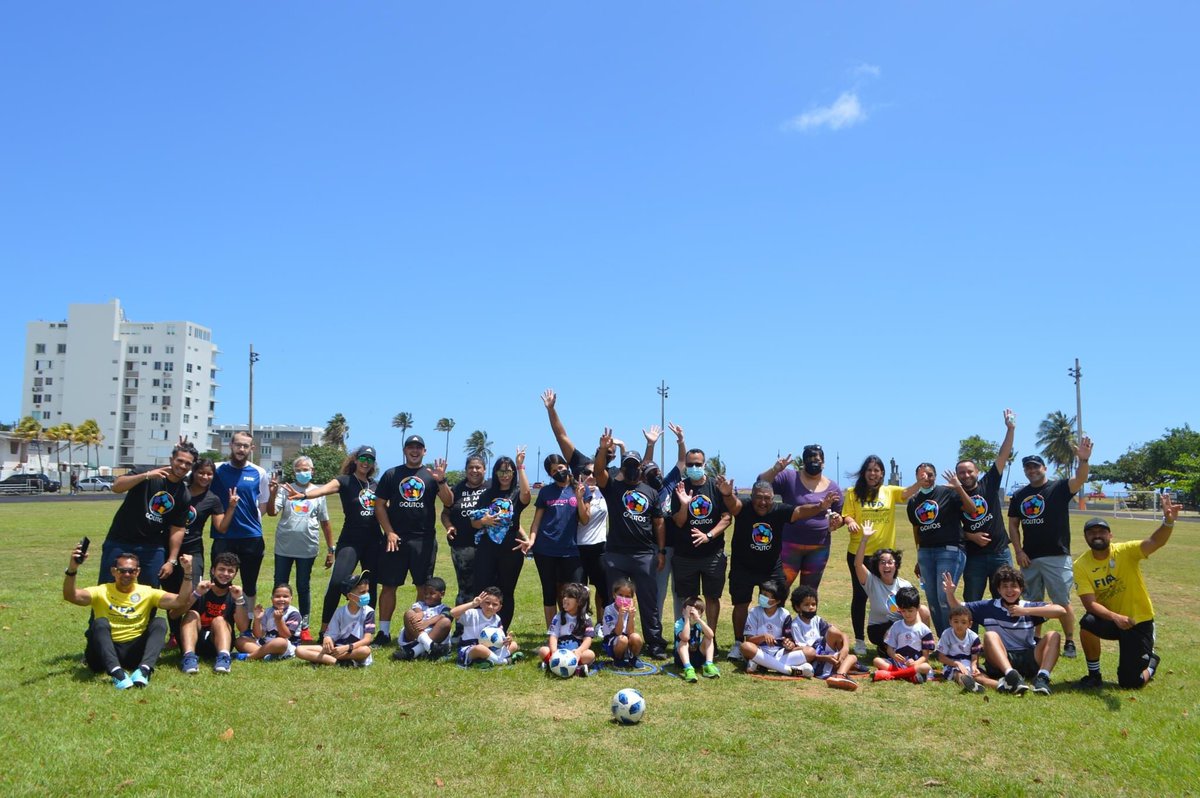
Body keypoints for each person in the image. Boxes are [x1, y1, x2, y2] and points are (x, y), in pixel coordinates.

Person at [1074, 497, 1179, 688]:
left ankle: (1152, 662)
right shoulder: (1081, 565)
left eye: (1101, 531)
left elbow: (1155, 541)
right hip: (1113, 620)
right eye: (1091, 532)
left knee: (1130, 683)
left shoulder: (1125, 551)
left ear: (1110, 535)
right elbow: (1090, 604)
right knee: (1087, 623)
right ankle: (1094, 675)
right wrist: (1115, 617)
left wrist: (1168, 521)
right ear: (1086, 537)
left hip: (1138, 621)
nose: (1097, 535)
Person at [1008, 436, 1092, 659]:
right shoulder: (1019, 495)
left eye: (1036, 466)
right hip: (1030, 557)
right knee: (1031, 601)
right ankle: (1035, 638)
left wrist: (1083, 461)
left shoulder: (1059, 487)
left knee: (1061, 601)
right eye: (1028, 468)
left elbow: (1080, 479)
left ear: (1044, 468)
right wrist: (1019, 550)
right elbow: (1014, 525)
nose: (1032, 470)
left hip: (1057, 555)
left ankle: (1070, 641)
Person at [63, 546, 194, 688]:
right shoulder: (101, 591)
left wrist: (187, 572)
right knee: (99, 623)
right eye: (122, 570)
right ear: (114, 571)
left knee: (160, 622)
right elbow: (71, 596)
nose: (127, 574)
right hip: (102, 655)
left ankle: (144, 670)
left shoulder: (147, 592)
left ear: (137, 572)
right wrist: (72, 569)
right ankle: (116, 673)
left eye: (131, 571)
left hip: (133, 654)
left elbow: (180, 601)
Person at [715, 476, 813, 662]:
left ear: (773, 498)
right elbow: (733, 505)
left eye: (767, 498)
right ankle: (738, 643)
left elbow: (799, 511)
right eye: (759, 497)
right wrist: (727, 493)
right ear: (751, 497)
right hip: (743, 566)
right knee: (741, 604)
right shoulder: (743, 506)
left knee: (776, 603)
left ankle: (777, 642)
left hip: (770, 568)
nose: (763, 502)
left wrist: (821, 506)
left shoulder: (779, 510)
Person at [291, 445, 382, 640]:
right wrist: (305, 495)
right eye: (363, 458)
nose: (366, 462)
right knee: (336, 583)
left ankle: (367, 632)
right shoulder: (345, 481)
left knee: (370, 586)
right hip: (351, 540)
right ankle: (325, 630)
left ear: (373, 464)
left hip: (374, 540)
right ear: (355, 460)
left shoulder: (375, 485)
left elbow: (386, 507)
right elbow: (324, 489)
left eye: (370, 460)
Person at [595, 428, 669, 659]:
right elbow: (599, 471)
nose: (630, 468)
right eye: (626, 464)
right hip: (616, 554)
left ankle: (655, 643)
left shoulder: (651, 491)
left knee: (649, 601)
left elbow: (658, 523)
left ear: (640, 467)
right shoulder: (614, 489)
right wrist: (604, 449)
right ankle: (613, 640)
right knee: (615, 600)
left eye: (634, 465)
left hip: (644, 554)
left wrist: (661, 551)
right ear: (622, 466)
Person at [834, 454, 917, 657]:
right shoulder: (853, 493)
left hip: (884, 556)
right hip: (860, 553)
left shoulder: (889, 492)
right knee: (860, 596)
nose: (873, 474)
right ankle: (860, 639)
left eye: (877, 470)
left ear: (882, 473)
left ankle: (897, 634)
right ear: (864, 472)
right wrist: (850, 522)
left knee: (890, 595)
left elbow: (907, 492)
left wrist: (920, 482)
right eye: (870, 470)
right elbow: (847, 514)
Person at [373, 435, 452, 646]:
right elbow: (379, 505)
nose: (414, 451)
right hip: (395, 539)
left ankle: (419, 630)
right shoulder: (391, 474)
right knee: (389, 586)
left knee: (423, 587)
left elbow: (449, 501)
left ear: (424, 451)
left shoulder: (431, 474)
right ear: (404, 450)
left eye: (419, 447)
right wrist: (389, 532)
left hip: (423, 540)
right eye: (410, 447)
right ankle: (383, 632)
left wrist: (441, 480)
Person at [942, 565, 1066, 695]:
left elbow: (1061, 610)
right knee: (990, 635)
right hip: (1000, 660)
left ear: (1021, 589)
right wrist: (950, 594)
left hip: (1028, 657)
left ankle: (1042, 678)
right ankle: (1011, 675)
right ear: (999, 590)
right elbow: (959, 607)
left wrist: (1025, 611)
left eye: (1014, 586)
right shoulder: (988, 607)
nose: (1010, 590)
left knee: (1054, 635)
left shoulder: (1028, 606)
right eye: (1005, 586)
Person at [99, 442, 195, 587]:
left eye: (188, 463)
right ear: (171, 460)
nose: (182, 466)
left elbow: (178, 529)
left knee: (151, 591)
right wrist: (145, 476)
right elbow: (116, 487)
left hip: (152, 546)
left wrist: (171, 560)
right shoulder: (148, 472)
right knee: (107, 588)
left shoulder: (184, 494)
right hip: (120, 540)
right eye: (179, 461)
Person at [162, 456, 235, 643]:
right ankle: (175, 634)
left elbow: (221, 528)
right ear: (193, 472)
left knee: (191, 591)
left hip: (193, 551)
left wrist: (232, 507)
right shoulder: (180, 491)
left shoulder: (212, 499)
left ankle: (188, 630)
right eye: (201, 472)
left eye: (209, 474)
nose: (204, 476)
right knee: (170, 593)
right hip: (168, 548)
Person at [758, 445, 843, 590]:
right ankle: (772, 613)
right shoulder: (789, 477)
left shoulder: (833, 487)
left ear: (823, 462)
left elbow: (839, 516)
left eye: (817, 459)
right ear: (803, 462)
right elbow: (761, 482)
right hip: (789, 545)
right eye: (809, 459)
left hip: (818, 547)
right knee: (778, 588)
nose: (813, 462)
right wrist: (776, 469)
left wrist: (837, 521)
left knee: (808, 592)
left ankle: (805, 614)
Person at [210, 430, 277, 613]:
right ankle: (216, 617)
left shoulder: (259, 472)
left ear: (251, 448)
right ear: (231, 445)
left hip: (251, 537)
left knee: (249, 583)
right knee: (219, 580)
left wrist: (250, 520)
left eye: (245, 446)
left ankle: (247, 624)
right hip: (223, 536)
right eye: (238, 445)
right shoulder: (217, 469)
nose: (241, 449)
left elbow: (263, 503)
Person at [670, 447, 731, 640]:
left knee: (713, 597)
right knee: (688, 599)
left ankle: (709, 637)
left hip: (712, 554)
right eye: (690, 464)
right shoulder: (679, 488)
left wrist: (708, 536)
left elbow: (727, 518)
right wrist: (685, 504)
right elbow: (679, 522)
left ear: (704, 465)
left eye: (698, 464)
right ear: (685, 466)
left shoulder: (715, 487)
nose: (694, 467)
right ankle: (688, 638)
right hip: (685, 555)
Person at [906, 463, 975, 634]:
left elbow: (972, 509)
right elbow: (917, 530)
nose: (926, 478)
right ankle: (944, 640)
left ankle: (956, 639)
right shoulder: (913, 501)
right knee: (932, 600)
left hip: (949, 550)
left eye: (930, 475)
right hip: (926, 553)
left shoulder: (948, 492)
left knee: (945, 597)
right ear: (916, 477)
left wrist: (958, 487)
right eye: (922, 475)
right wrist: (918, 555)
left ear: (935, 476)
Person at [269, 455, 333, 638]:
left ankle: (304, 627)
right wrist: (273, 491)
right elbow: (273, 512)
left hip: (307, 548)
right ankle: (277, 622)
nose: (302, 473)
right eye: (298, 470)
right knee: (280, 585)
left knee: (303, 586)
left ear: (312, 471)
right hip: (284, 547)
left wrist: (331, 549)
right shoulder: (286, 489)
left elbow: (325, 523)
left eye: (305, 469)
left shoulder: (318, 492)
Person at [956, 410, 1017, 602]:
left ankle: (1004, 633)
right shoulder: (954, 496)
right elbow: (951, 528)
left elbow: (1003, 454)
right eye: (961, 473)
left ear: (977, 471)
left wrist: (1010, 429)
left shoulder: (988, 483)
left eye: (969, 471)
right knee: (972, 600)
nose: (966, 475)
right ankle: (971, 634)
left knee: (1006, 599)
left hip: (1000, 552)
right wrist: (971, 536)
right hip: (974, 557)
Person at [524, 454, 590, 630]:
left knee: (576, 592)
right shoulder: (546, 491)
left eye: (560, 467)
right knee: (549, 592)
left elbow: (584, 519)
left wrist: (580, 497)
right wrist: (531, 540)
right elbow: (537, 521)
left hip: (570, 550)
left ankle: (576, 630)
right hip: (545, 549)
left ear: (566, 466)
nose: (558, 472)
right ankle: (553, 632)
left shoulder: (581, 488)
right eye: (553, 471)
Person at [470, 451, 532, 632]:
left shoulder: (516, 494)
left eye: (508, 471)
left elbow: (527, 494)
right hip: (487, 547)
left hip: (510, 548)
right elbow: (474, 522)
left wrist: (520, 465)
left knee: (506, 590)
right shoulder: (487, 493)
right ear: (495, 473)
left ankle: (500, 631)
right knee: (482, 588)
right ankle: (478, 630)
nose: (505, 475)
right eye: (501, 471)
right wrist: (484, 521)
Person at [852, 522, 931, 655]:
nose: (886, 566)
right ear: (877, 566)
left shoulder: (904, 585)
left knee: (923, 610)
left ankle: (922, 645)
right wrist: (864, 539)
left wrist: (917, 632)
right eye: (882, 563)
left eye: (890, 562)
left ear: (896, 565)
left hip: (903, 624)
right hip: (879, 628)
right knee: (894, 635)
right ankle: (887, 648)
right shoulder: (871, 581)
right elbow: (857, 564)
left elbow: (915, 610)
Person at [179, 552, 249, 675]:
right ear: (213, 570)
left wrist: (238, 600)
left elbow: (243, 628)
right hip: (195, 641)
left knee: (219, 620)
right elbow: (175, 614)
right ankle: (189, 657)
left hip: (220, 642)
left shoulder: (237, 594)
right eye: (221, 569)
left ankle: (223, 658)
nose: (225, 574)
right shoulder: (200, 589)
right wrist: (196, 594)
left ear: (235, 574)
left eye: (230, 571)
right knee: (192, 614)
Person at [785, 585, 859, 690]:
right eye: (806, 605)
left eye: (813, 604)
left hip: (828, 655)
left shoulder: (817, 620)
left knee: (852, 656)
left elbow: (843, 635)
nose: (811, 607)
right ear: (797, 607)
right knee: (850, 658)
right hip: (816, 659)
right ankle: (841, 672)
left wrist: (845, 649)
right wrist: (825, 658)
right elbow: (805, 652)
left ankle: (839, 675)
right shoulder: (796, 625)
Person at [296, 571, 375, 667]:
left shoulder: (369, 612)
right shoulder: (340, 612)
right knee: (299, 650)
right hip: (336, 648)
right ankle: (337, 662)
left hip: (354, 649)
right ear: (350, 596)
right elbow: (331, 634)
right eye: (362, 592)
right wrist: (328, 639)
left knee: (365, 650)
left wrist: (347, 648)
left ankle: (329, 659)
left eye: (367, 591)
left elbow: (367, 639)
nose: (366, 595)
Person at [442, 455, 489, 617]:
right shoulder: (457, 489)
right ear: (466, 470)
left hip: (488, 546)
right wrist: (449, 526)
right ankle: (462, 629)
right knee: (465, 589)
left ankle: (486, 624)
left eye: (478, 467)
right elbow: (445, 513)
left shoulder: (491, 487)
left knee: (487, 588)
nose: (474, 471)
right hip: (462, 546)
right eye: (471, 467)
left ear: (484, 469)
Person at [870, 586, 934, 683]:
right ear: (899, 609)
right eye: (903, 611)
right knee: (877, 661)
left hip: (915, 664)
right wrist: (894, 655)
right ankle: (909, 675)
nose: (907, 614)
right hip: (897, 663)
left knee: (926, 666)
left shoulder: (924, 630)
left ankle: (892, 674)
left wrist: (915, 663)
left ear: (917, 608)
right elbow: (889, 648)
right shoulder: (896, 626)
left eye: (910, 610)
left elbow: (925, 656)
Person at [738, 580, 801, 676]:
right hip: (759, 651)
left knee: (810, 652)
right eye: (761, 593)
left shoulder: (784, 614)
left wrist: (790, 644)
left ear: (777, 601)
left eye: (765, 595)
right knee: (745, 646)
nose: (761, 596)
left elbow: (789, 639)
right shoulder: (754, 612)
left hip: (779, 652)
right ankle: (787, 669)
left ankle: (762, 664)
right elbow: (749, 640)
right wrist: (763, 637)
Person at [451, 587, 522, 667]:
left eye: (494, 604)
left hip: (491, 649)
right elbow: (453, 612)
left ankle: (487, 661)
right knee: (480, 648)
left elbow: (499, 638)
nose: (490, 606)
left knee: (514, 645)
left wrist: (506, 640)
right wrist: (472, 604)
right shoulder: (472, 614)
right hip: (471, 649)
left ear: (499, 608)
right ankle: (503, 661)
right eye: (487, 603)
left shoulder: (497, 619)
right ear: (481, 603)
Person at [536, 582, 596, 677]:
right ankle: (551, 664)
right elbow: (553, 635)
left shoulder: (586, 619)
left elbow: (588, 639)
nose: (565, 599)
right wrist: (554, 651)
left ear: (579, 601)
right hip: (560, 648)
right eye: (564, 596)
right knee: (543, 650)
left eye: (569, 596)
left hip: (575, 650)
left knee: (590, 655)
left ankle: (577, 668)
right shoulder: (559, 616)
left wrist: (579, 651)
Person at [236, 583, 303, 661]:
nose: (281, 599)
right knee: (240, 640)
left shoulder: (293, 613)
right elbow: (259, 635)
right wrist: (257, 619)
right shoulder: (268, 611)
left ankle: (249, 657)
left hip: (286, 646)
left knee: (280, 642)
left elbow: (286, 635)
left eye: (285, 596)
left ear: (291, 598)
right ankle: (266, 656)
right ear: (272, 598)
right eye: (277, 596)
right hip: (266, 643)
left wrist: (279, 620)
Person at [935, 605, 992, 692]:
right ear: (950, 622)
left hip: (968, 664)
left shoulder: (973, 637)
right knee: (959, 675)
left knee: (980, 676)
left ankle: (1001, 685)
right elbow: (941, 657)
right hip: (952, 665)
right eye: (956, 621)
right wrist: (957, 664)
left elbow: (974, 659)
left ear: (970, 624)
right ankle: (971, 686)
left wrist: (974, 667)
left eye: (963, 622)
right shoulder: (946, 634)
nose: (959, 625)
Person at [394, 576, 453, 661]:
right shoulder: (420, 605)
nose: (427, 596)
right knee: (409, 613)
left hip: (435, 639)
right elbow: (416, 610)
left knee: (446, 622)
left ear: (442, 594)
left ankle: (413, 652)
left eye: (431, 593)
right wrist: (420, 613)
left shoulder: (445, 608)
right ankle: (430, 646)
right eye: (425, 593)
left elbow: (444, 615)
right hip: (414, 638)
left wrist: (428, 622)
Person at [599, 578, 644, 667]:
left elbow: (630, 632)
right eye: (620, 595)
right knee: (623, 639)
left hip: (626, 639)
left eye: (627, 596)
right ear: (614, 595)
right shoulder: (609, 610)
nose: (624, 599)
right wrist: (620, 616)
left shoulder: (630, 609)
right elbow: (617, 633)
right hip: (614, 642)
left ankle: (633, 657)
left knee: (636, 637)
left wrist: (631, 616)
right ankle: (618, 659)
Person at [674, 596, 719, 682]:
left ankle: (708, 665)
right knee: (683, 642)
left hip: (697, 657)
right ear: (683, 611)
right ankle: (688, 669)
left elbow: (711, 635)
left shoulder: (699, 623)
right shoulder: (679, 623)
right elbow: (685, 637)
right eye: (689, 612)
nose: (692, 615)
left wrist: (698, 619)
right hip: (681, 658)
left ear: (701, 614)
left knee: (708, 638)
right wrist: (687, 619)